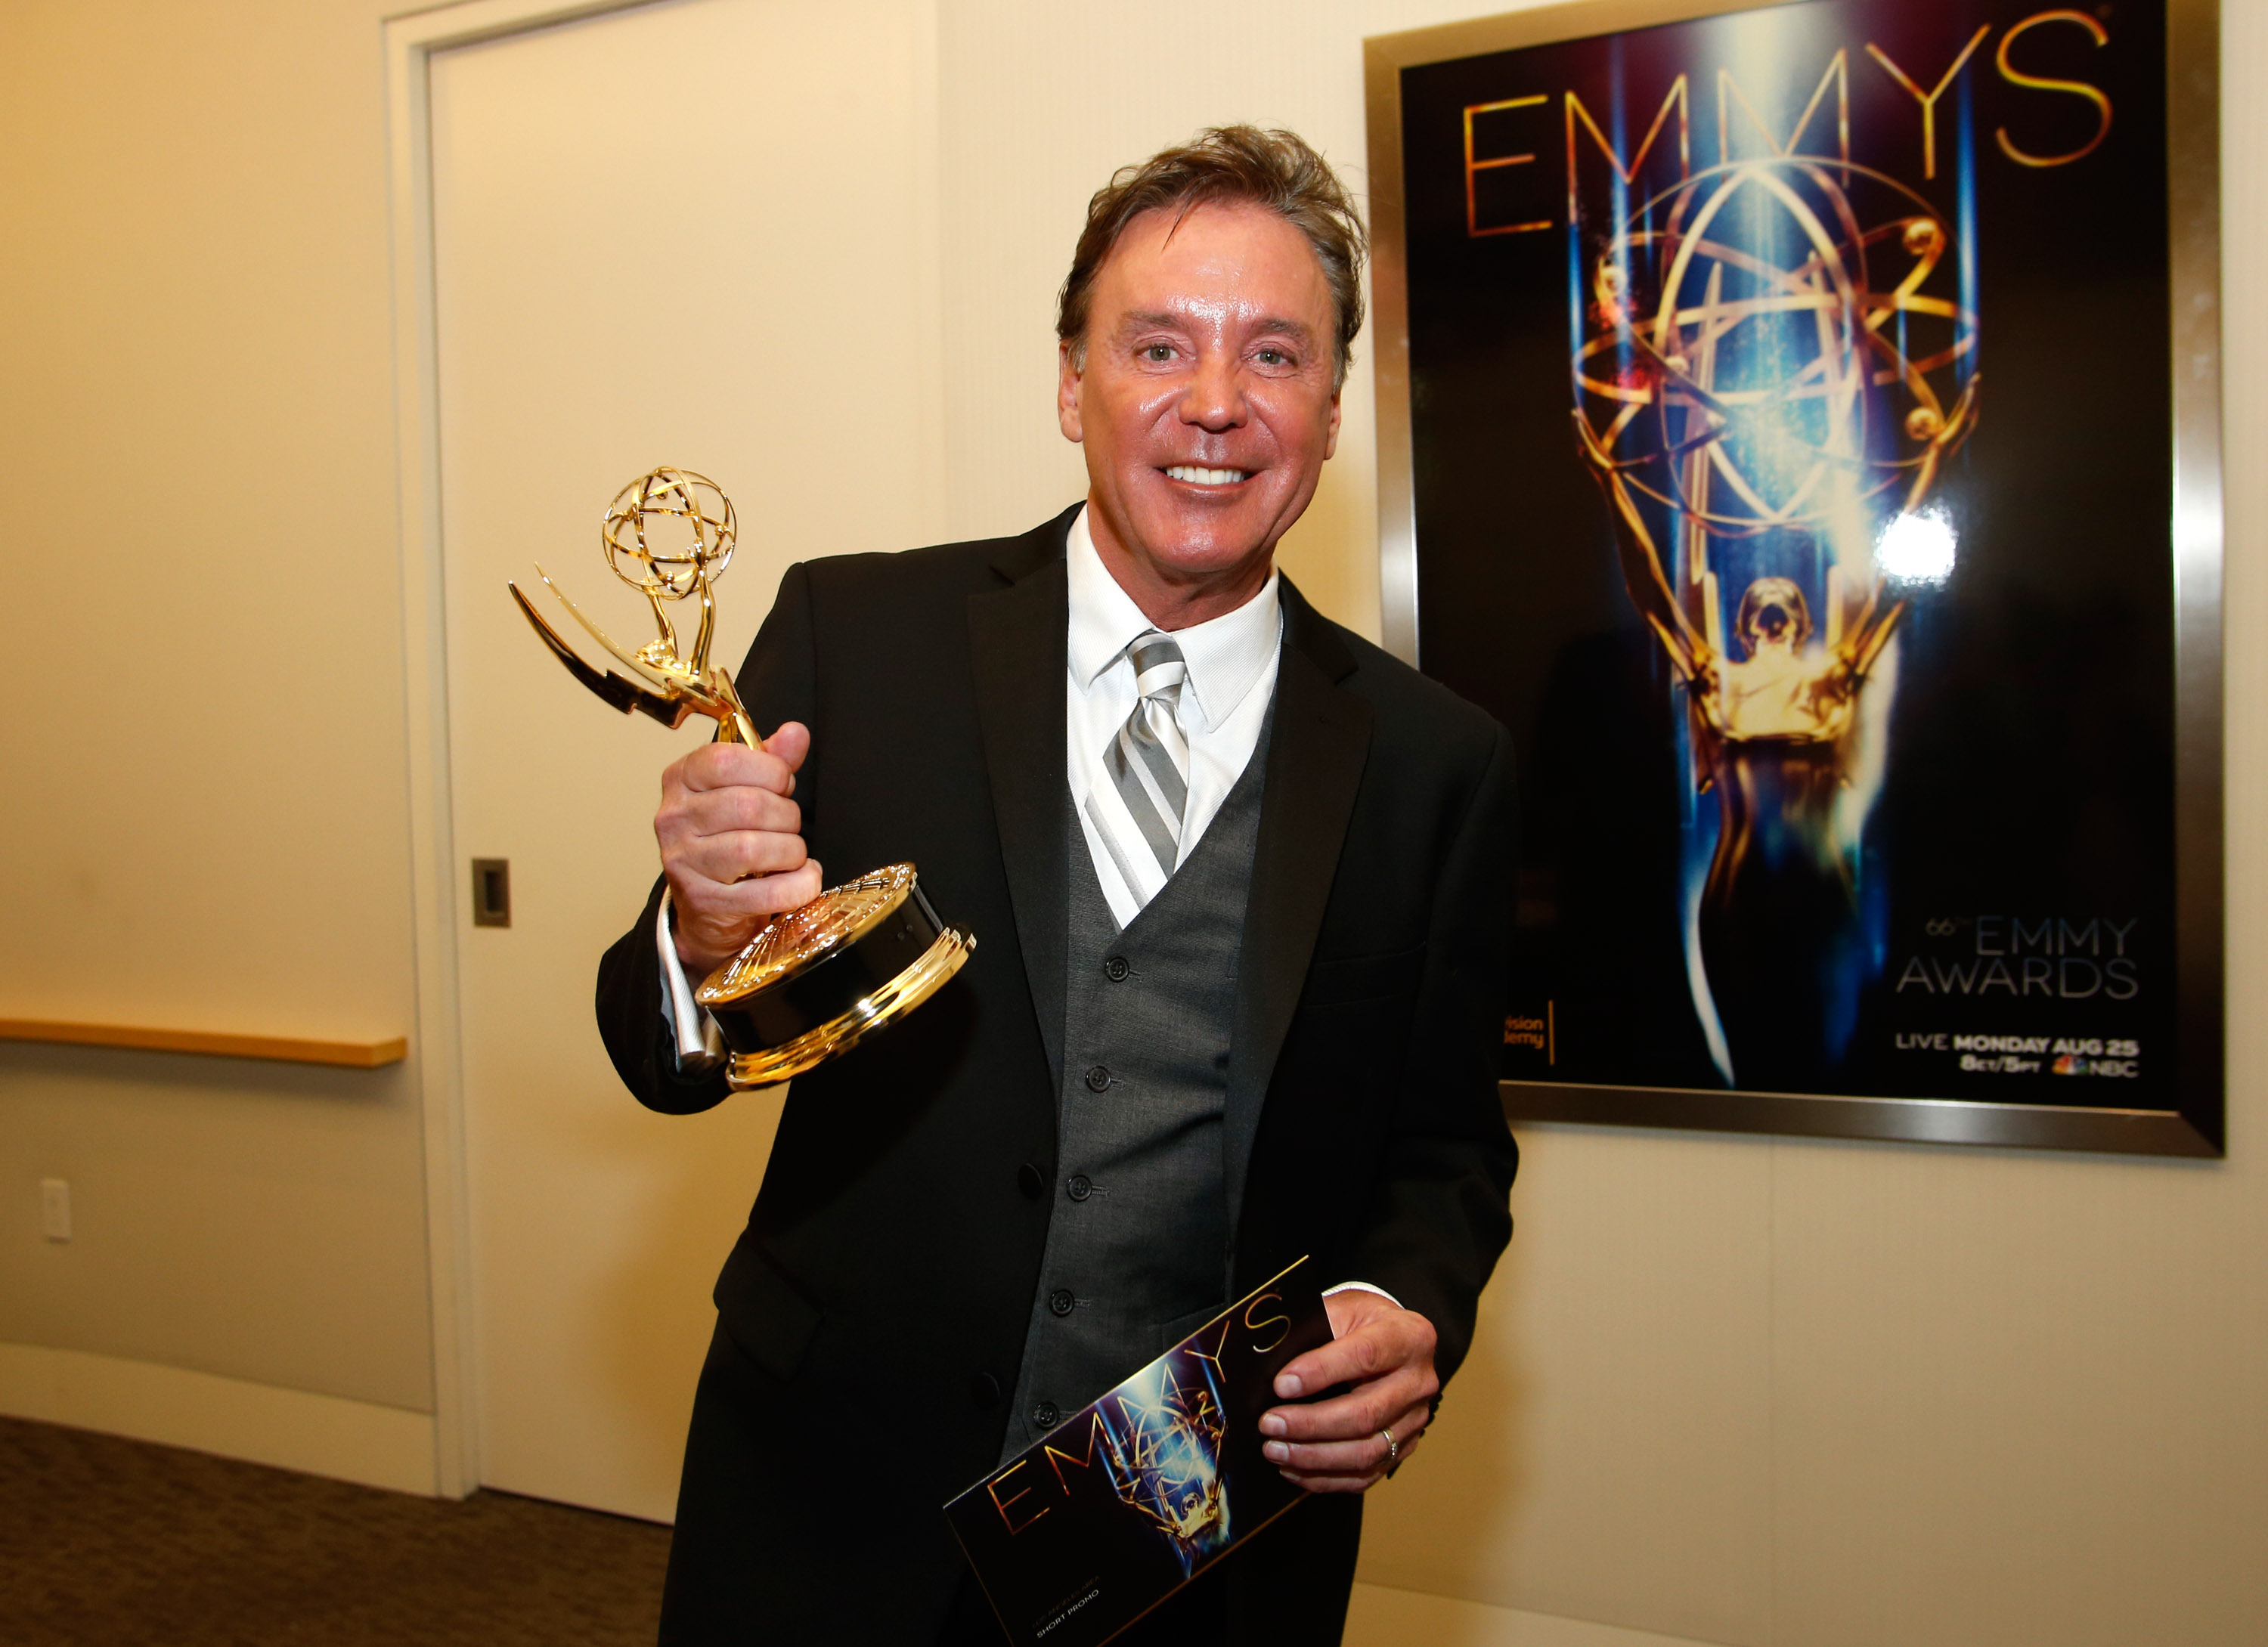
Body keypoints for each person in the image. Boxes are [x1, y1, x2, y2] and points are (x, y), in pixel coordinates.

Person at [594, 126, 1517, 1646]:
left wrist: (1411, 1302)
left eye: (1274, 354)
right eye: (1157, 344)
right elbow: (660, 1061)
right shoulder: (854, 639)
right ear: (1070, 383)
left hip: (1196, 1520)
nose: (1213, 403)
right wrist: (697, 931)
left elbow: (1445, 1154)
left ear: (1335, 410)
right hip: (835, 1492)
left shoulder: (1436, 762)